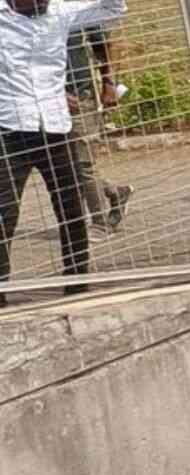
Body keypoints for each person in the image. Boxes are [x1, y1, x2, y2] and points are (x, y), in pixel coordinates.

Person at [0, 0, 124, 294]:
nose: (42, 2)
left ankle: (76, 282)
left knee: (71, 210)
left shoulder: (61, 10)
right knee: (3, 213)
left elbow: (114, 8)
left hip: (56, 128)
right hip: (9, 130)